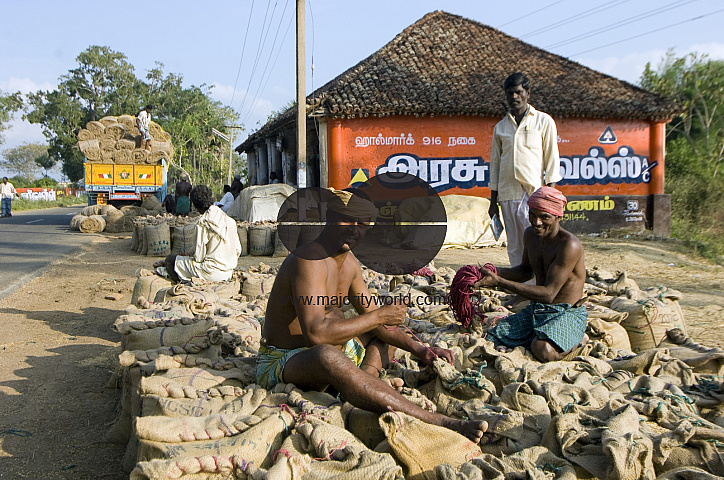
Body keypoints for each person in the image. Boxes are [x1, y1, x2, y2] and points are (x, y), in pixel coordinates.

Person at [257, 188, 488, 443]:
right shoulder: (309, 260)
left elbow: (375, 319)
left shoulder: (351, 265)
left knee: (383, 338)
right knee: (328, 354)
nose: (354, 230)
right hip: (286, 360)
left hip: (337, 352)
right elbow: (316, 334)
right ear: (330, 214)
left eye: (362, 224)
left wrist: (421, 350)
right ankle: (439, 421)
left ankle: (363, 382)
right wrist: (379, 317)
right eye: (348, 219)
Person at [473, 186, 587, 363]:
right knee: (492, 338)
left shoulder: (569, 246)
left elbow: (549, 294)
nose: (537, 222)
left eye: (544, 217)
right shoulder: (530, 235)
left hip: (565, 313)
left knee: (542, 350)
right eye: (532, 215)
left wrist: (499, 282)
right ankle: (541, 334)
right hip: (538, 310)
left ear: (558, 217)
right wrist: (491, 271)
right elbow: (525, 272)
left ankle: (579, 342)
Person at [488, 73, 562, 269]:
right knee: (514, 244)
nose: (514, 97)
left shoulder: (543, 121)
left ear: (527, 93)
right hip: (507, 193)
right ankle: (520, 289)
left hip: (533, 193)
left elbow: (552, 159)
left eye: (519, 92)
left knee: (536, 241)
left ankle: (538, 285)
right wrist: (493, 200)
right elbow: (494, 164)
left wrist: (549, 197)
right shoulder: (500, 127)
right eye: (510, 93)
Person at [161, 185, 241, 283]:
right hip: (228, 272)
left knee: (170, 260)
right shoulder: (230, 221)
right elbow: (238, 250)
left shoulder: (204, 222)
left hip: (210, 273)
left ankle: (184, 284)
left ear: (195, 206)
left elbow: (199, 257)